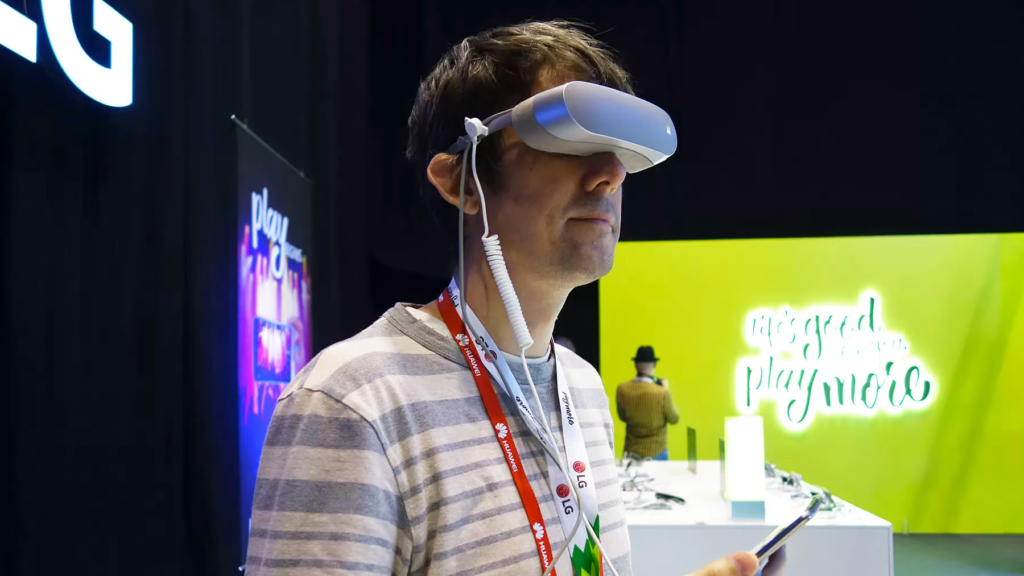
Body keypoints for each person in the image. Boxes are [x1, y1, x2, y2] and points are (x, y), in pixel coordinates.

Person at [245, 20, 784, 576]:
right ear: (461, 181)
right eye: (570, 138)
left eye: (617, 149)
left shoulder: (582, 388)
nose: (610, 174)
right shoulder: (352, 403)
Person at [617, 345, 680, 460]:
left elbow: (622, 417)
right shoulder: (661, 393)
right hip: (657, 452)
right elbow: (674, 419)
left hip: (631, 452)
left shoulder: (622, 390)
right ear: (654, 364)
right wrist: (665, 390)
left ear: (635, 364)